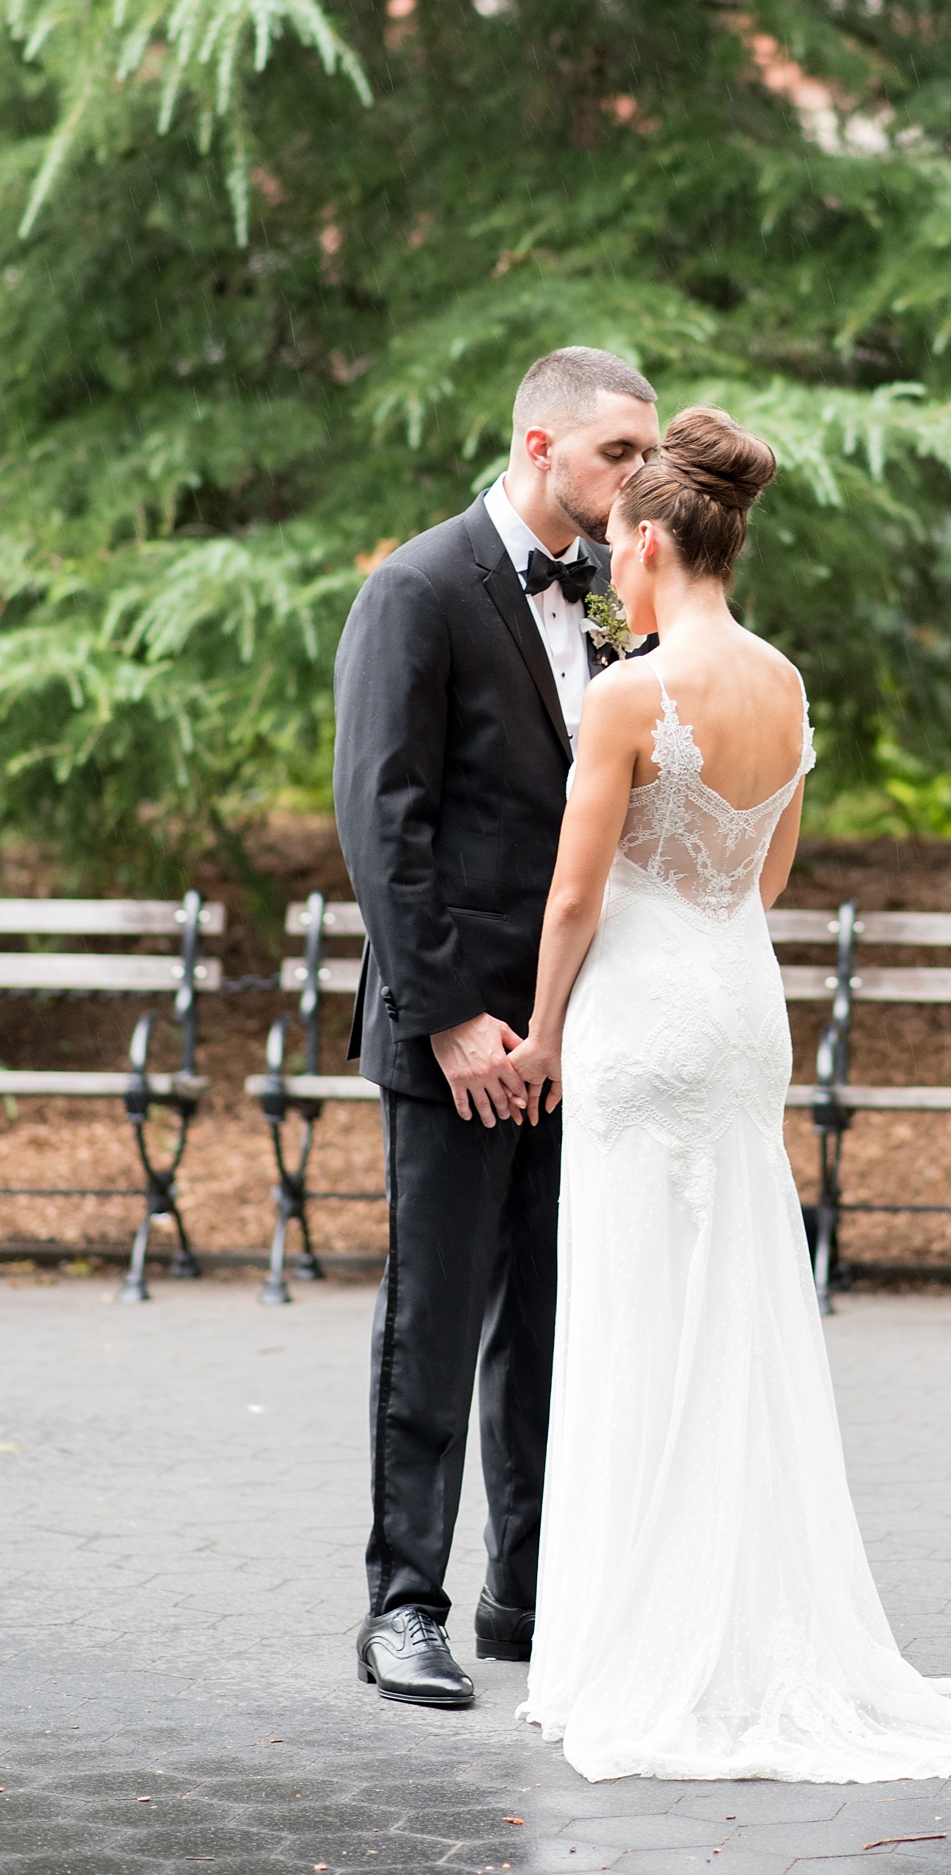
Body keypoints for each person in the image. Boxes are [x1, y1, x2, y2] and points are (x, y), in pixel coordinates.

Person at [510, 407, 951, 1782]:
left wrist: (537, 1032)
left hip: (643, 1013)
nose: (611, 577)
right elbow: (765, 882)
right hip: (741, 1000)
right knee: (740, 1306)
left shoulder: (627, 693)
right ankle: (749, 1622)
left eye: (617, 554)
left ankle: (631, 1646)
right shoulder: (786, 680)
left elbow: (579, 888)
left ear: (649, 539)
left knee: (638, 1308)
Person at [332, 346, 660, 1707]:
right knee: (436, 1316)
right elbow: (382, 820)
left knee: (546, 1315)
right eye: (618, 455)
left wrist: (569, 1018)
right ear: (540, 445)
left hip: (568, 1033)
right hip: (453, 1034)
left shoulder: (603, 600)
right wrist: (458, 1017)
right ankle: (403, 1603)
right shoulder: (415, 588)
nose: (639, 479)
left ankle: (523, 1593)